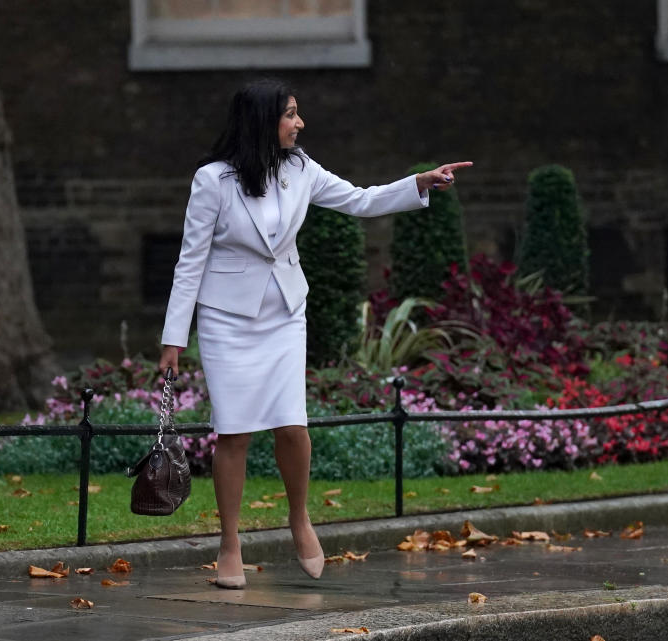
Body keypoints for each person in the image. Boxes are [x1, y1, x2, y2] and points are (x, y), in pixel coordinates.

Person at [159, 79, 471, 589]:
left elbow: (361, 200)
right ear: (264, 120)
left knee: (292, 426)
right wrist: (173, 339)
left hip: (284, 312)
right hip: (226, 318)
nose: (299, 123)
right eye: (290, 114)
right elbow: (189, 262)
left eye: (297, 114)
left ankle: (300, 519)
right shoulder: (212, 180)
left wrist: (419, 182)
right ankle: (230, 543)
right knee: (234, 432)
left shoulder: (302, 169)